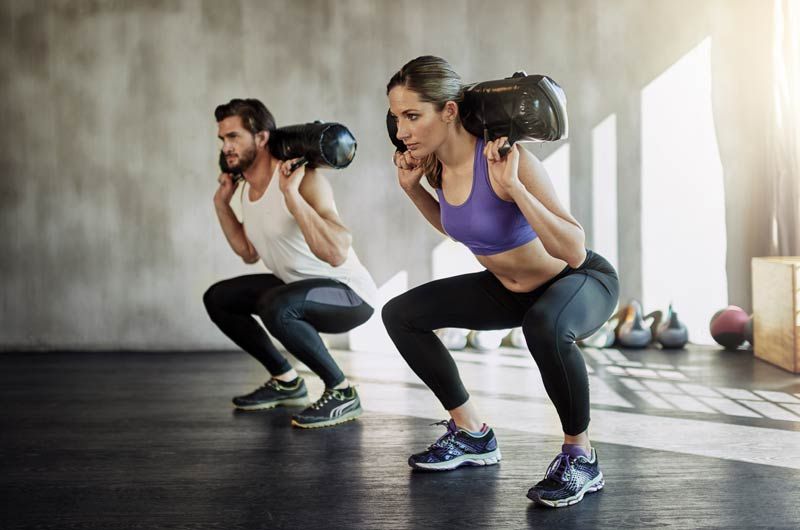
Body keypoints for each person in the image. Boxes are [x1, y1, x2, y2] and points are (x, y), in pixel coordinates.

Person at [381, 57, 619, 507]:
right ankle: (472, 434)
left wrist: (516, 191)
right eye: (396, 117)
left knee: (545, 325)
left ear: (449, 111)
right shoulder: (436, 168)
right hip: (511, 292)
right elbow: (464, 228)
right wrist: (414, 189)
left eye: (412, 116)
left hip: (577, 280)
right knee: (401, 314)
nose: (401, 130)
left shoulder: (507, 158)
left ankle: (580, 457)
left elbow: (573, 248)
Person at [203, 98, 377, 429]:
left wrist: (292, 197)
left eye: (234, 137)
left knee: (276, 305)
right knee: (219, 298)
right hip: (295, 289)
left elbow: (337, 252)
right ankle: (286, 381)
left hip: (350, 295)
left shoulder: (305, 180)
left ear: (262, 137)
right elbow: (248, 252)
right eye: (223, 139)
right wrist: (221, 203)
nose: (226, 147)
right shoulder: (247, 190)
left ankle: (342, 392)